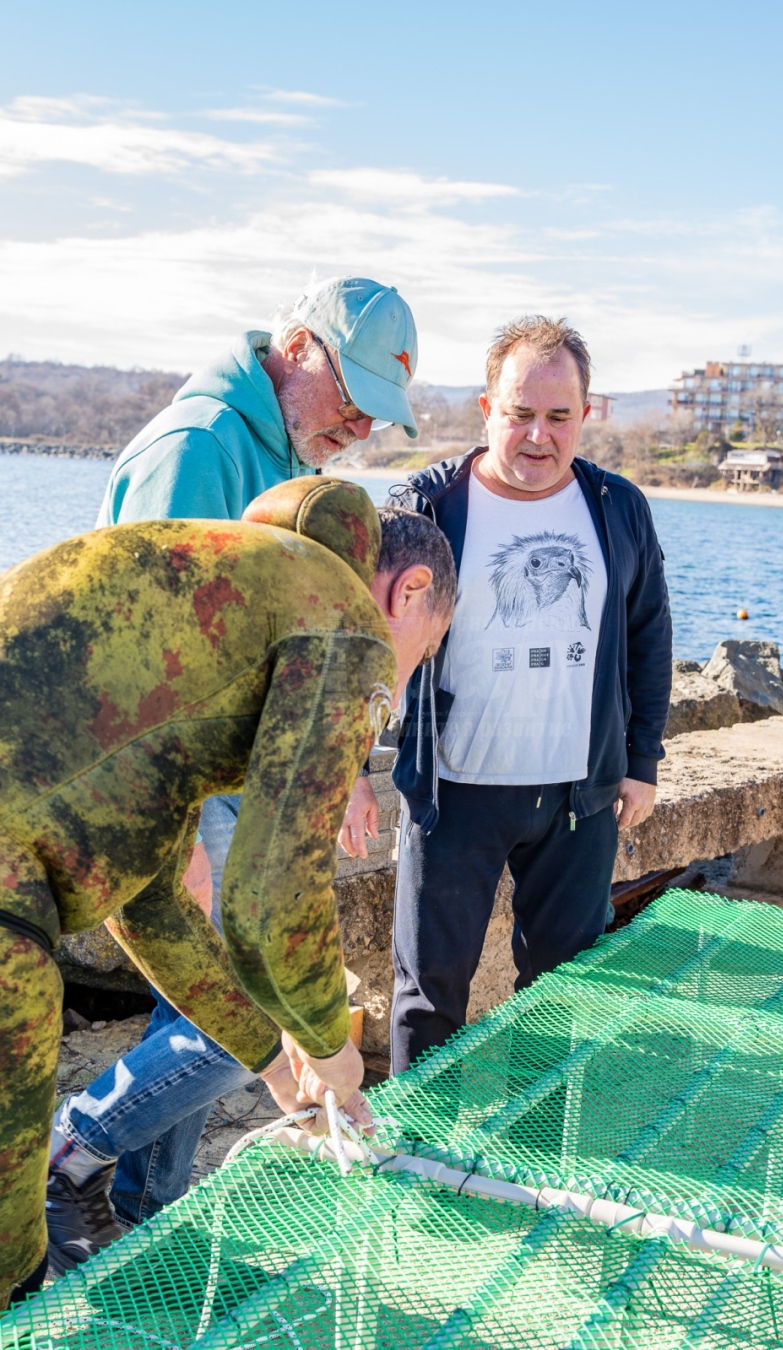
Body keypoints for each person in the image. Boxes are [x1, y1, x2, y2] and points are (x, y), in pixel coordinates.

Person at [0, 476, 455, 1309]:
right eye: (422, 653)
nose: (395, 691)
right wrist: (331, 1049)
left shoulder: (215, 588)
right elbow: (270, 901)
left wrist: (274, 1069)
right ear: (408, 593)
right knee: (10, 1265)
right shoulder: (343, 618)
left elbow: (149, 910)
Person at [45, 275, 420, 1271]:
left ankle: (149, 1211)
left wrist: (332, 770)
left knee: (199, 1006)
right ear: (297, 347)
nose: (358, 425)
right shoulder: (201, 448)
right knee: (231, 1005)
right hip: (151, 783)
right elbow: (151, 670)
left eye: (377, 414)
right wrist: (182, 853)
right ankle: (66, 1149)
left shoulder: (283, 455)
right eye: (353, 395)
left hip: (213, 775)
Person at [339, 316, 672, 1074]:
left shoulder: (619, 508)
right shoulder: (428, 509)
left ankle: (537, 1158)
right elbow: (366, 644)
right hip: (453, 794)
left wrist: (642, 759)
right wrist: (351, 768)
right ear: (487, 408)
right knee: (428, 999)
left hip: (575, 801)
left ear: (585, 416)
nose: (537, 435)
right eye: (520, 413)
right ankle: (415, 1166)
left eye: (558, 417)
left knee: (564, 995)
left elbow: (649, 634)